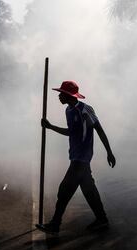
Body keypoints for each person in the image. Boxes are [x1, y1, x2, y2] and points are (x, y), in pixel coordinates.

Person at [36, 81, 116, 234]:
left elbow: (99, 130)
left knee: (64, 190)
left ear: (68, 95)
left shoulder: (85, 110)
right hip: (76, 156)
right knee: (89, 190)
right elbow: (71, 133)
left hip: (82, 158)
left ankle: (55, 224)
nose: (59, 96)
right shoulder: (69, 110)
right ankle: (102, 219)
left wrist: (109, 151)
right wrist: (50, 127)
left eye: (61, 93)